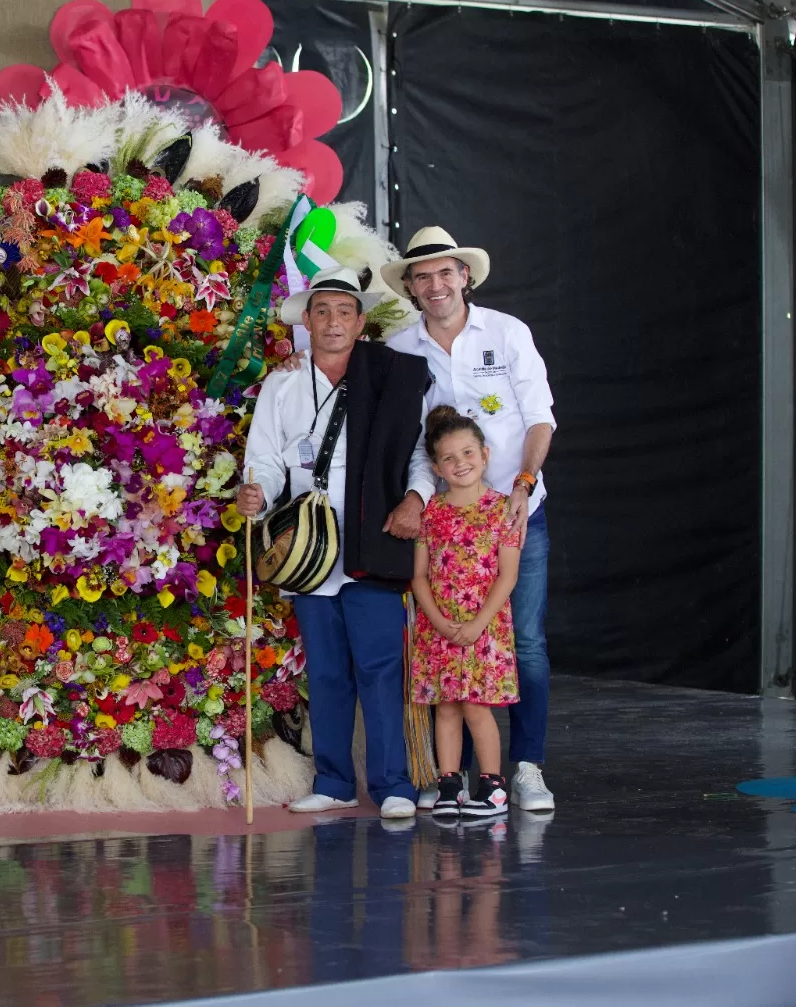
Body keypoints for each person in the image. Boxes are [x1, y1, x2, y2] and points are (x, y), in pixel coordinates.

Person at [239, 266, 432, 818]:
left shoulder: (391, 375)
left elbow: (417, 452)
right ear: (306, 318)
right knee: (324, 670)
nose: (332, 321)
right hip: (306, 543)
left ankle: (394, 785)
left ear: (361, 321)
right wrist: (256, 491)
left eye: (344, 311)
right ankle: (334, 781)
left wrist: (416, 498)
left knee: (379, 666)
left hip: (373, 533)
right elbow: (267, 458)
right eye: (322, 310)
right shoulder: (282, 383)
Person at [382, 227, 558, 813]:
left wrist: (523, 484)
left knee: (525, 642)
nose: (436, 285)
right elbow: (413, 442)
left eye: (445, 272)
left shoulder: (507, 333)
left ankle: (525, 768)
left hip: (513, 515)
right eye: (423, 276)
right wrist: (415, 496)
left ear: (465, 276)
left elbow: (540, 419)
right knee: (447, 649)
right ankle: (451, 775)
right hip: (449, 529)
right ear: (410, 287)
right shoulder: (403, 349)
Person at [411, 405, 522, 818]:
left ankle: (493, 789)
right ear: (437, 468)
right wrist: (440, 622)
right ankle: (449, 784)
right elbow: (419, 576)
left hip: (484, 627)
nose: (461, 464)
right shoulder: (432, 513)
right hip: (438, 626)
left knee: (476, 705)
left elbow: (507, 577)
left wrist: (476, 624)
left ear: (486, 455)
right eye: (449, 458)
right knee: (447, 706)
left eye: (468, 453)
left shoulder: (503, 511)